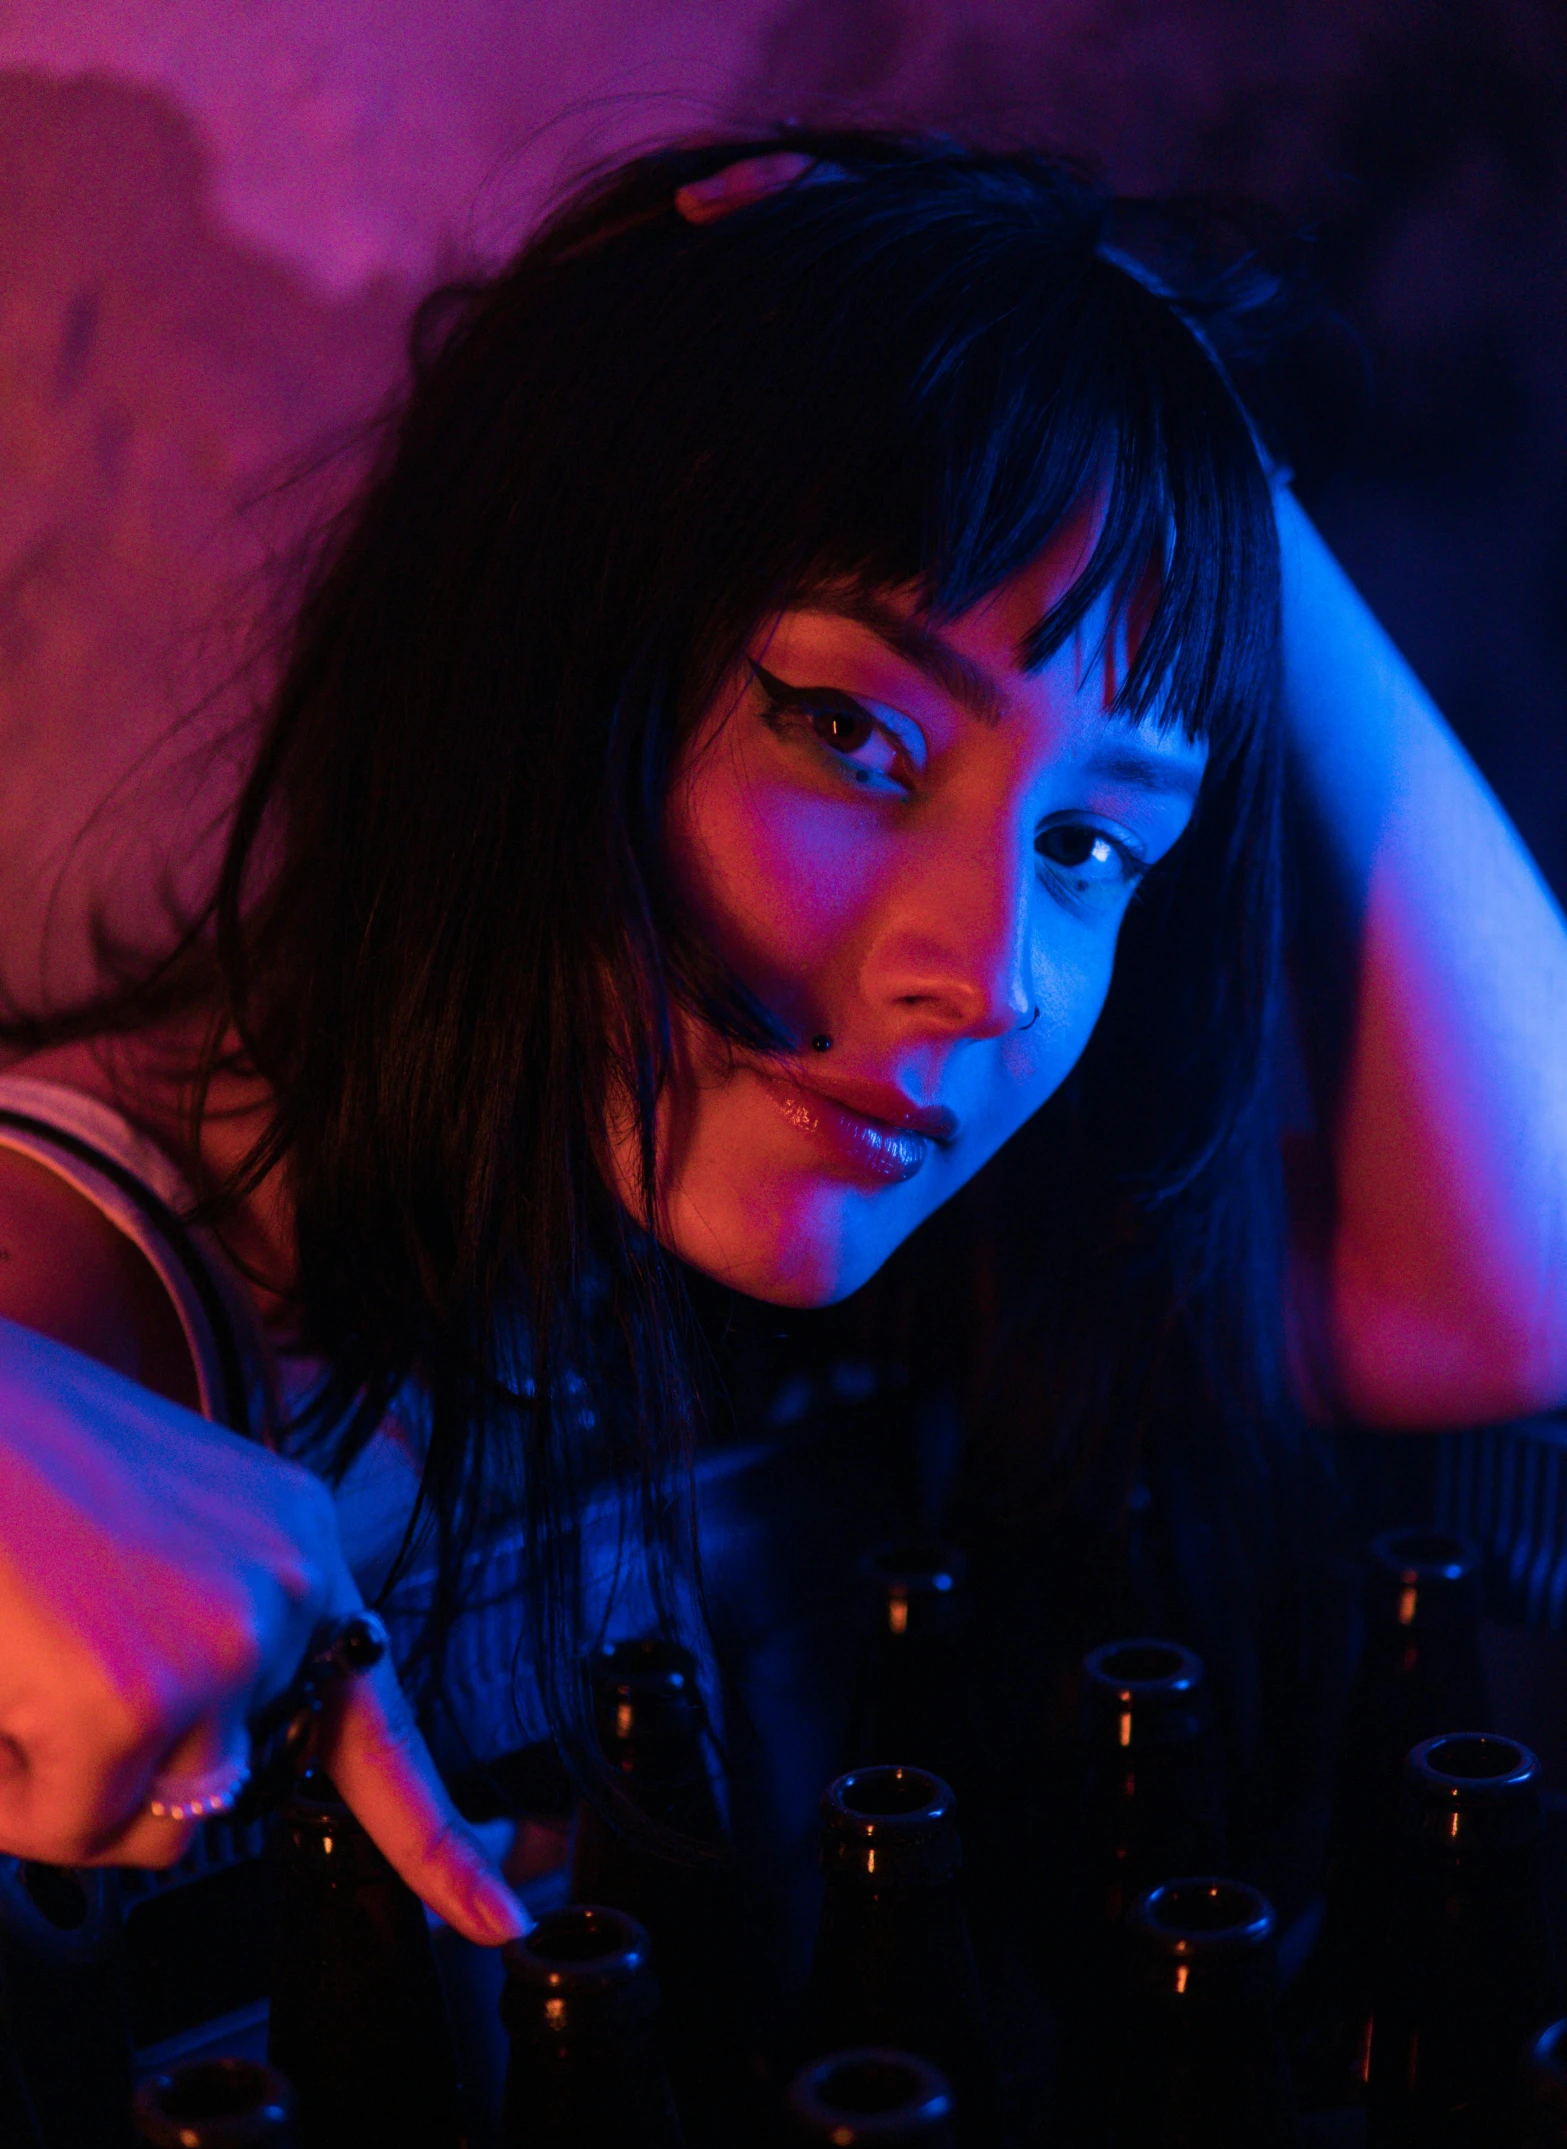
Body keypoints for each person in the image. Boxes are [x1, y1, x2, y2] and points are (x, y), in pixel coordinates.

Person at [2, 133, 1565, 1945]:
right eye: (853, 736)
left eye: (1088, 845)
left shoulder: (898, 1210)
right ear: (530, 665)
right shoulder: (112, 1277)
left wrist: (1188, 447)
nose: (991, 976)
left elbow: (1515, 1273)